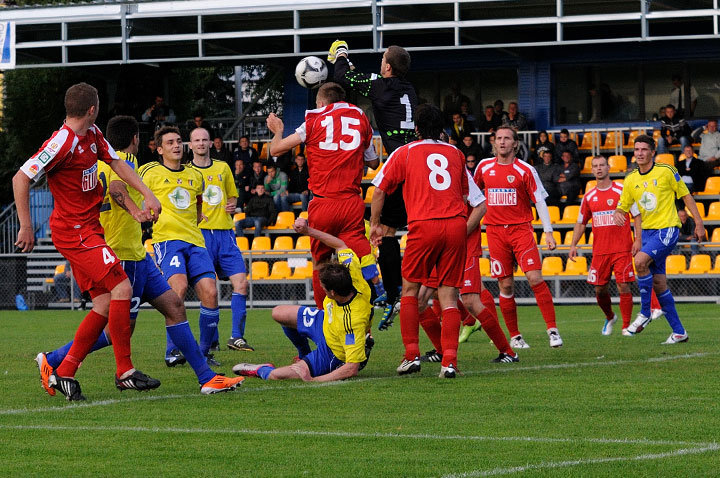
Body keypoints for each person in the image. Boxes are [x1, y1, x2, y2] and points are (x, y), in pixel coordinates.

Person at [39, 116, 243, 396]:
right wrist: (138, 212)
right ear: (135, 138)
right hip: (122, 254)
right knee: (118, 330)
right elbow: (115, 188)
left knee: (174, 306)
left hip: (138, 255)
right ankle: (56, 360)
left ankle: (206, 377)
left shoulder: (99, 161)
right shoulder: (121, 160)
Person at [14, 82, 162, 401]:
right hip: (74, 231)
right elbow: (21, 177)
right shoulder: (62, 142)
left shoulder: (92, 135)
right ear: (92, 110)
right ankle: (125, 372)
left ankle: (63, 372)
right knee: (122, 287)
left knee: (105, 303)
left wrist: (148, 194)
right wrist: (26, 225)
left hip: (89, 229)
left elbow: (118, 164)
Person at [370, 103, 486, 377]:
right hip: (455, 226)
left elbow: (378, 190)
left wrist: (375, 225)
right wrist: (462, 228)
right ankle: (449, 362)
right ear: (442, 128)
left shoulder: (406, 151)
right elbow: (479, 203)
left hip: (424, 226)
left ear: (417, 128)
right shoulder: (456, 154)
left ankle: (412, 354)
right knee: (448, 295)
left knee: (410, 290)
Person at [329, 40, 417, 328]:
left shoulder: (381, 85)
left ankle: (393, 295)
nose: (380, 62)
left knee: (385, 231)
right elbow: (364, 81)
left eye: (382, 59)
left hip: (399, 164)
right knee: (399, 231)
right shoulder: (408, 89)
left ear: (388, 67)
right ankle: (399, 293)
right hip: (415, 162)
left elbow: (343, 78)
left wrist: (341, 53)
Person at [266, 81, 378, 308]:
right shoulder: (360, 117)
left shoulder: (314, 119)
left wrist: (278, 131)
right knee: (356, 261)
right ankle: (366, 321)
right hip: (351, 202)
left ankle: (322, 319)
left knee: (321, 263)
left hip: (323, 203)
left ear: (321, 103)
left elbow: (275, 150)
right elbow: (374, 162)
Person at [232, 217, 373, 382]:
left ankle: (262, 370)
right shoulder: (352, 273)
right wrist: (308, 231)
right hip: (325, 321)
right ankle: (304, 354)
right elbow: (340, 244)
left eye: (323, 287)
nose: (320, 288)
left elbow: (352, 367)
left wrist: (315, 380)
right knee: (279, 313)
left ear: (333, 293)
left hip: (334, 350)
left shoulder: (351, 322)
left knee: (277, 375)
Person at [139, 126, 223, 367]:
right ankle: (172, 351)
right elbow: (133, 189)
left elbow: (198, 200)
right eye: (170, 143)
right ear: (159, 149)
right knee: (178, 289)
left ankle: (203, 352)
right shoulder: (149, 172)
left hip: (196, 241)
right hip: (167, 241)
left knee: (211, 292)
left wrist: (197, 216)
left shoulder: (195, 175)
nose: (176, 146)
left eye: (178, 141)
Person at [475, 126, 563, 349]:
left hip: (521, 230)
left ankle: (552, 330)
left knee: (535, 278)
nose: (502, 142)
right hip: (494, 232)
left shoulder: (525, 170)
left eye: (507, 138)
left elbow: (540, 201)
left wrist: (549, 232)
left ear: (515, 144)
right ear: (494, 142)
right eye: (498, 138)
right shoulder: (483, 167)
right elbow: (473, 197)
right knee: (505, 286)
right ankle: (515, 336)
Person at [614, 135, 705, 343]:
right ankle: (679, 331)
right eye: (636, 149)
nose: (639, 153)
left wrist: (699, 222)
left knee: (639, 262)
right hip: (647, 233)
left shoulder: (667, 171)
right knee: (659, 284)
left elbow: (686, 196)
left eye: (644, 149)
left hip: (667, 230)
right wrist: (618, 212)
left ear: (652, 152)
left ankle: (645, 313)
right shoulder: (630, 179)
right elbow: (623, 205)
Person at [186, 127, 255, 353]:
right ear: (191, 145)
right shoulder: (186, 171)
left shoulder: (223, 167)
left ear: (210, 143)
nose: (201, 143)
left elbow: (232, 195)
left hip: (225, 234)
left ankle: (236, 337)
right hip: (201, 235)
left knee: (241, 283)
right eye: (197, 140)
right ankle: (211, 339)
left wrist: (233, 204)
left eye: (205, 139)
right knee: (209, 291)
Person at [568, 155, 650, 336]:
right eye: (595, 166)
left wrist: (637, 239)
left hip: (622, 248)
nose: (598, 168)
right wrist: (573, 244)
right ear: (592, 170)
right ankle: (610, 316)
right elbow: (581, 222)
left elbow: (637, 215)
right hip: (600, 251)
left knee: (624, 286)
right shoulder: (589, 197)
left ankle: (626, 327)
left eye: (602, 165)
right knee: (599, 289)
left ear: (608, 168)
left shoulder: (622, 190)